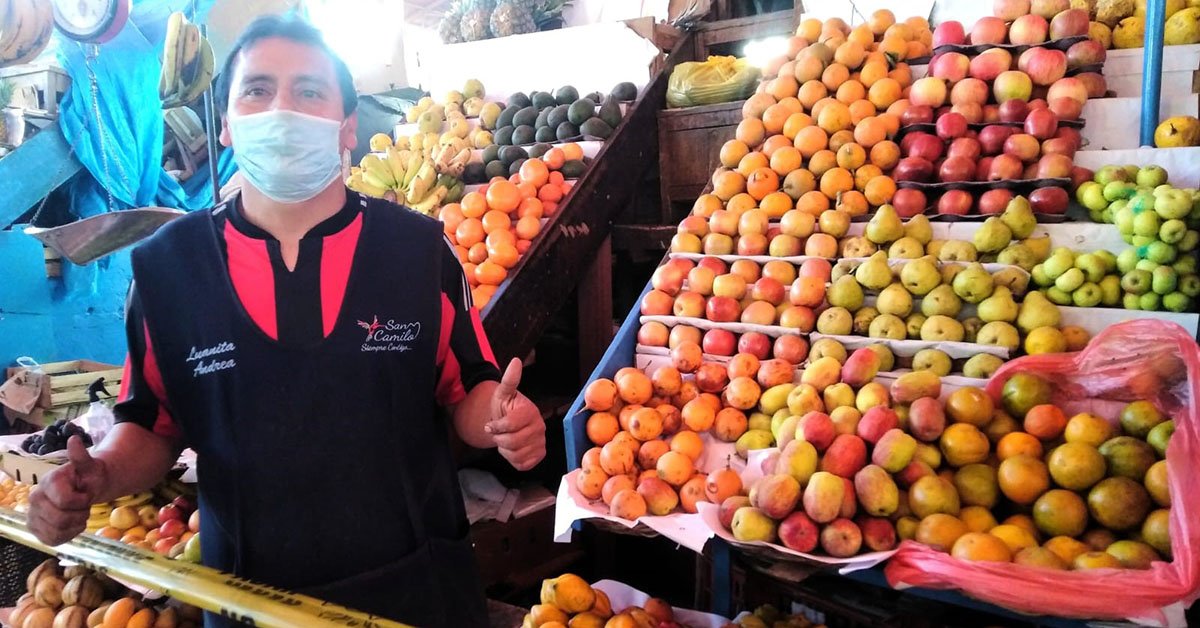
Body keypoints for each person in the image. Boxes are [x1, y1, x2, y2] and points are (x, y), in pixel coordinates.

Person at [27, 15, 546, 626]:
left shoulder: (416, 250)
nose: (281, 109)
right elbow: (153, 424)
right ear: (225, 123)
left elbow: (469, 387)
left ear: (347, 125)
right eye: (257, 90)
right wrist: (103, 474)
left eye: (309, 91)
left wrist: (502, 421)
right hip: (250, 598)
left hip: (414, 590)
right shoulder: (168, 270)